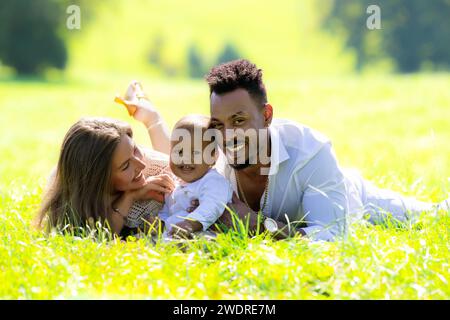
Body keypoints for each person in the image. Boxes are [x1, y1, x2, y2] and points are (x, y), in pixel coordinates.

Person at [35, 82, 176, 237]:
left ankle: (149, 115)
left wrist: (150, 122)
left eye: (135, 150)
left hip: (166, 161)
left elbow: (191, 172)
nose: (140, 165)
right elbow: (101, 237)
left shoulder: (150, 168)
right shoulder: (70, 192)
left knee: (176, 162)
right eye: (125, 166)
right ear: (98, 180)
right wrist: (130, 197)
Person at [158, 115, 233, 239]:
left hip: (206, 233)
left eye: (195, 152)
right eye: (179, 152)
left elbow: (212, 205)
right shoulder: (175, 185)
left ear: (213, 156)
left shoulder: (213, 181)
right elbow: (168, 211)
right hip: (175, 234)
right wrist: (160, 223)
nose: (186, 158)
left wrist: (190, 223)